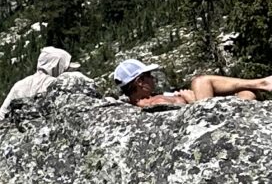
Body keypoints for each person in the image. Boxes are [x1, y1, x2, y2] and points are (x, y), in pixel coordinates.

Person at [113, 57, 272, 111]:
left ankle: (261, 84)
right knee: (200, 81)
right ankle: (263, 82)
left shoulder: (149, 98)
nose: (153, 79)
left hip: (206, 104)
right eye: (149, 76)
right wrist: (193, 102)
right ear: (140, 82)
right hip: (205, 114)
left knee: (248, 93)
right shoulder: (153, 104)